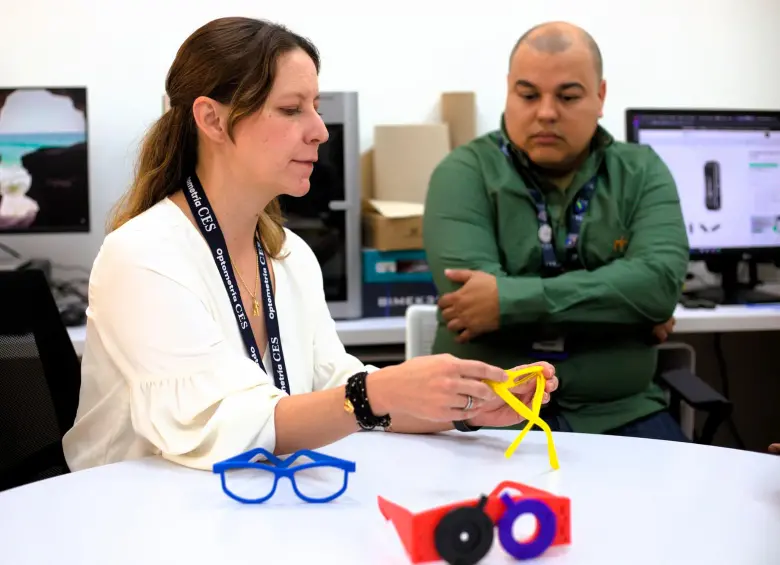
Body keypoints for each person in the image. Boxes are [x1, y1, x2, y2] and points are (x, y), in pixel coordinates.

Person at [61, 17, 558, 472]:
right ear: (212, 120)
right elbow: (221, 427)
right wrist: (378, 391)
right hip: (136, 521)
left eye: (316, 108)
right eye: (291, 109)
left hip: (244, 510)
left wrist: (467, 407)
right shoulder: (142, 257)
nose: (319, 131)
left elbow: (334, 392)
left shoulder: (290, 256)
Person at [422, 21, 690, 441]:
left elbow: (657, 287)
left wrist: (507, 300)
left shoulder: (642, 171)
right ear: (509, 90)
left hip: (621, 413)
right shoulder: (463, 172)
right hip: (487, 414)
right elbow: (470, 307)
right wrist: (623, 309)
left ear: (600, 97)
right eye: (528, 95)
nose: (546, 112)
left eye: (568, 96)